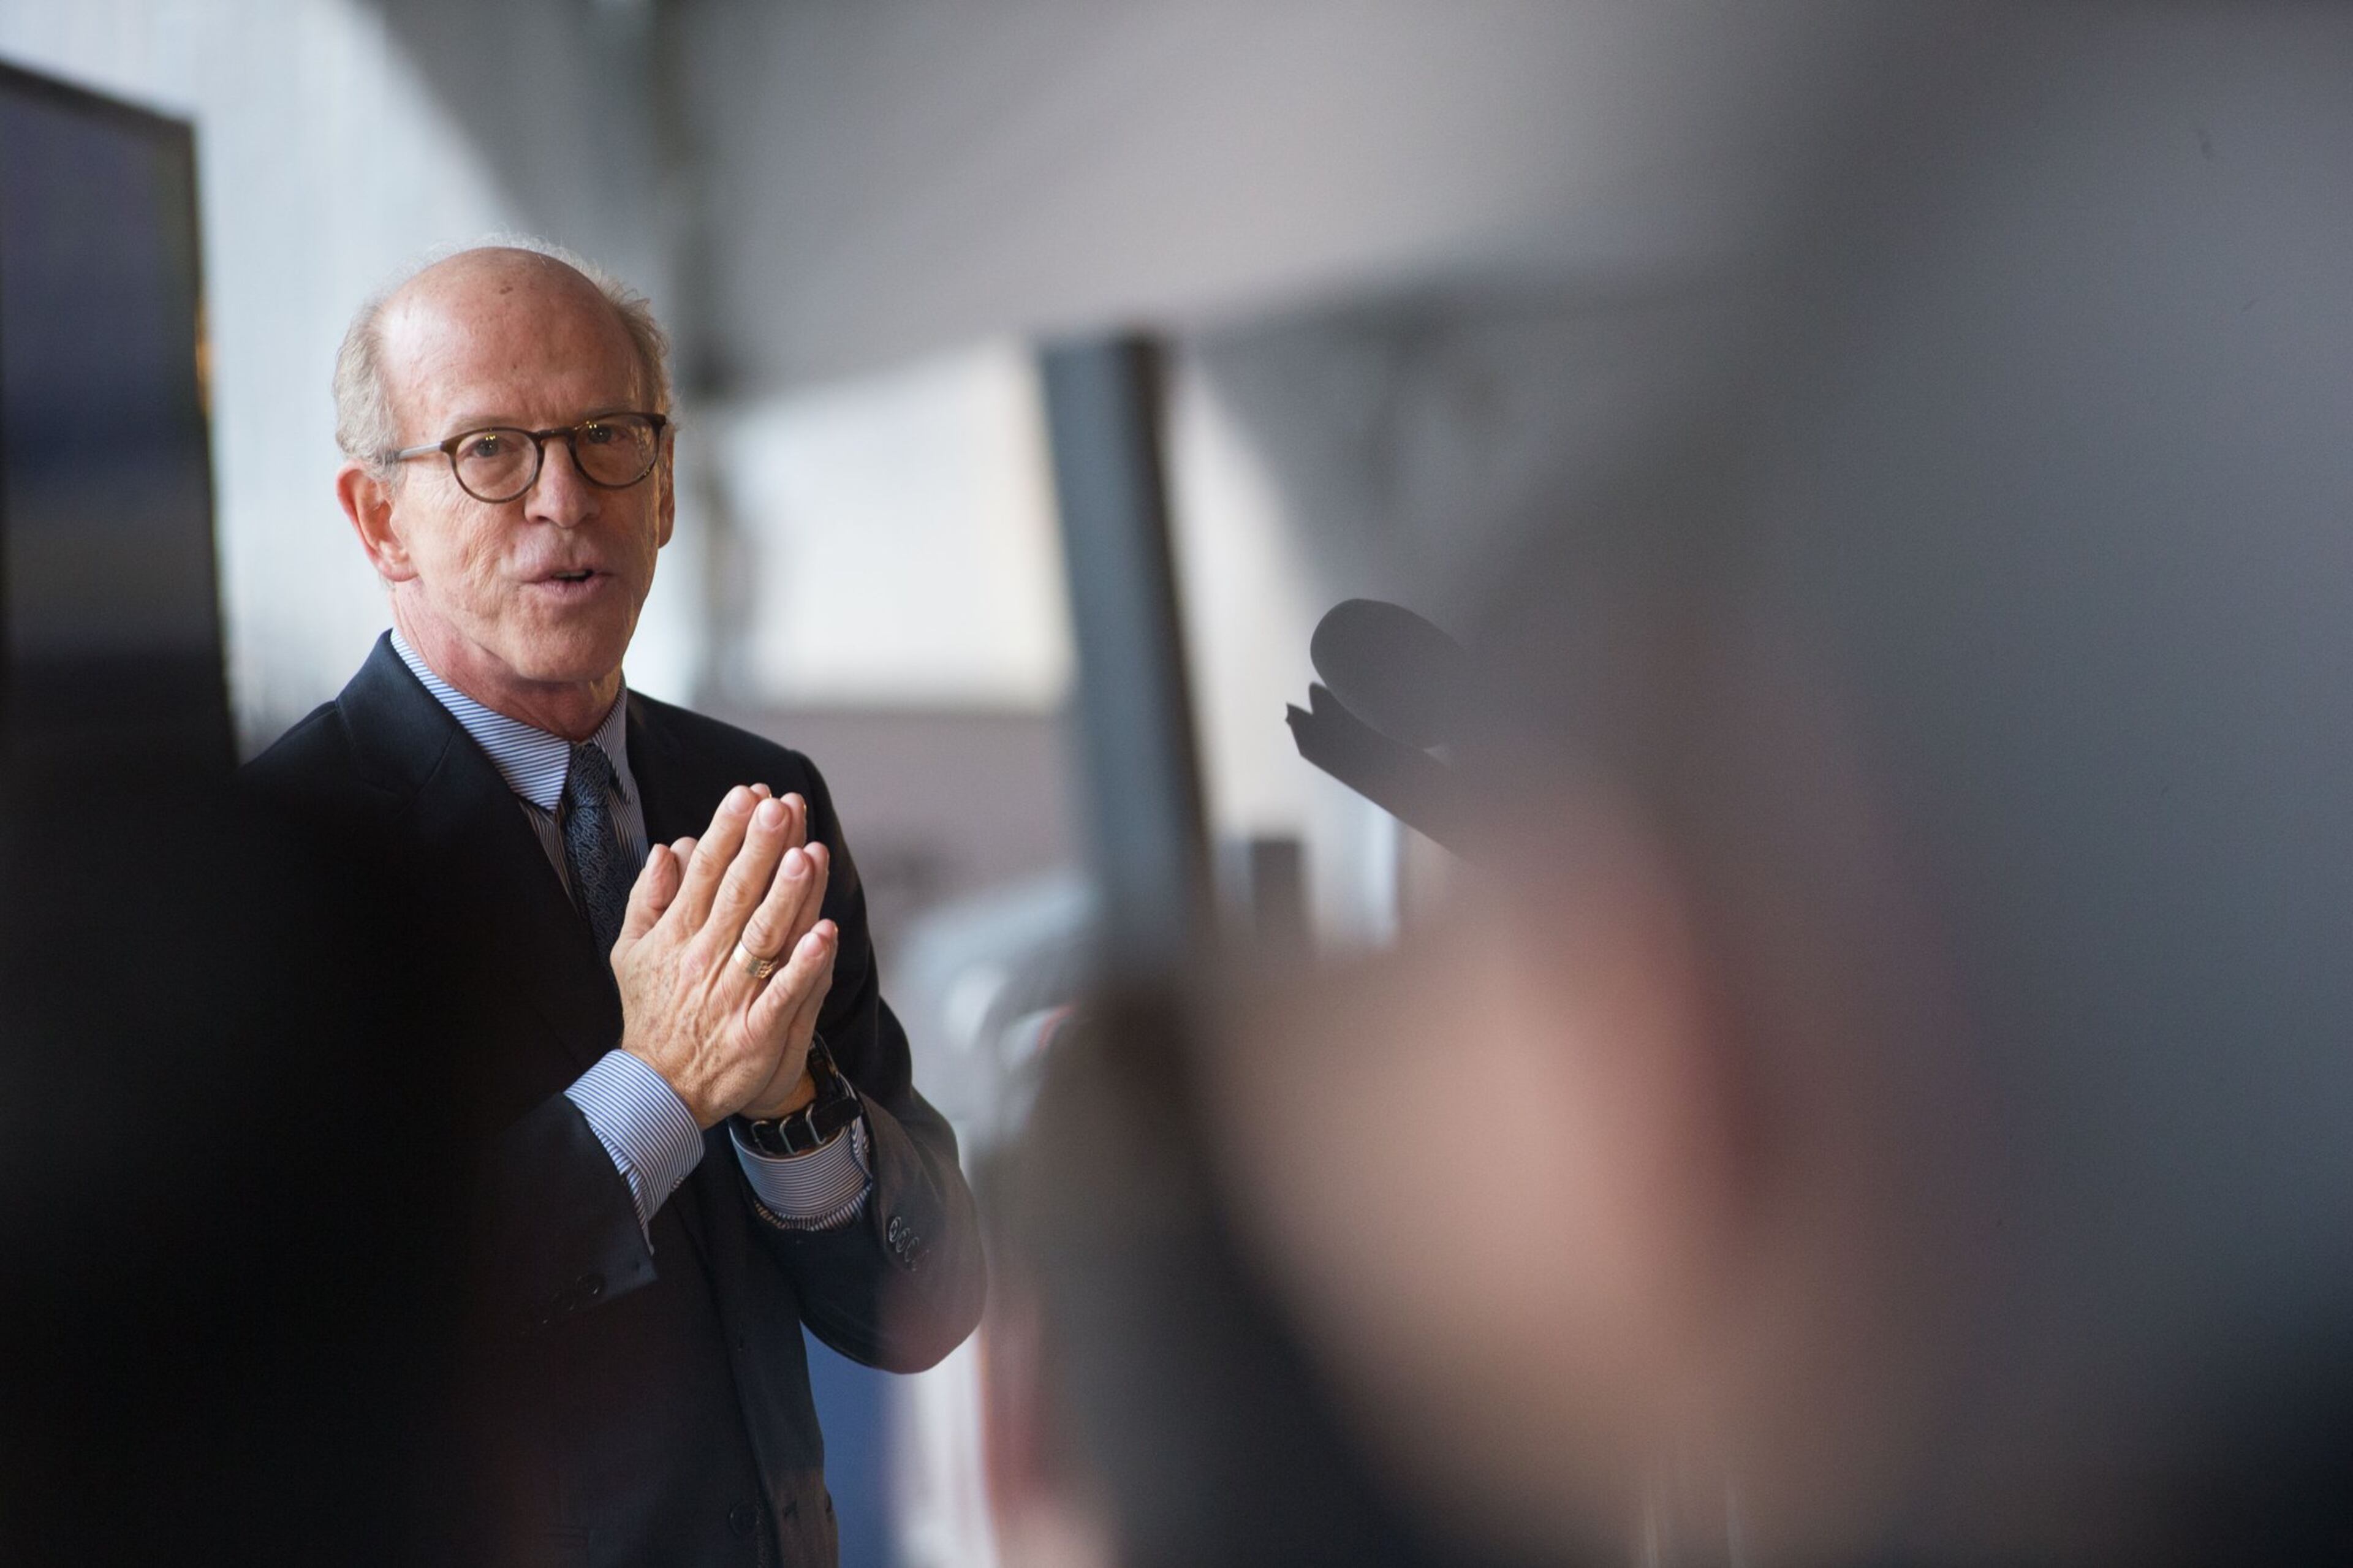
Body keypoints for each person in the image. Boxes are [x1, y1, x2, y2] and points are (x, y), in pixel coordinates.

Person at [243, 243, 986, 1567]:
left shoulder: (758, 799)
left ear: (668, 484)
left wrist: (791, 1107)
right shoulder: (280, 859)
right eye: (489, 450)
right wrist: (656, 1088)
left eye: (607, 436)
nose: (564, 498)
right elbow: (322, 1341)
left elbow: (921, 1308)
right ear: (378, 519)